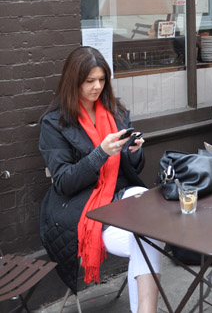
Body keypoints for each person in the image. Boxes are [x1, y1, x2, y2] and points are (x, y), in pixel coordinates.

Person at [39, 46, 162, 313]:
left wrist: (134, 152)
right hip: (81, 206)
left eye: (102, 80)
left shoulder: (115, 111)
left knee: (156, 224)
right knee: (149, 239)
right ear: (73, 81)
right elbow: (64, 182)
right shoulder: (54, 123)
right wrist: (100, 154)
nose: (97, 87)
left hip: (121, 194)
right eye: (89, 81)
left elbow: (130, 170)